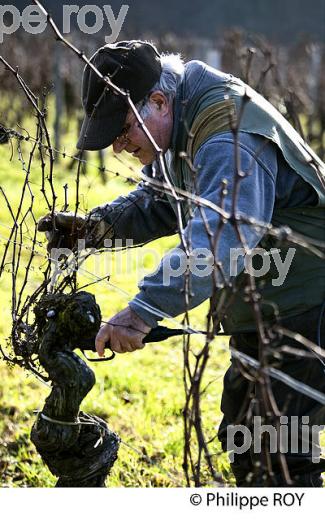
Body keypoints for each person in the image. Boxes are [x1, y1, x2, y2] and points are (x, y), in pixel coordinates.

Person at [38, 40, 325, 487]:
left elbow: (221, 239)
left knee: (279, 456)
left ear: (157, 100)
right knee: (249, 440)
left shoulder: (225, 131)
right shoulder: (183, 117)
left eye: (123, 130)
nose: (119, 147)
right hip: (271, 305)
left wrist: (142, 312)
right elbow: (161, 202)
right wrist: (94, 229)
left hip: (310, 304)